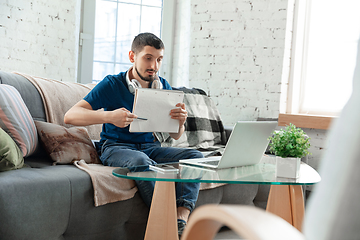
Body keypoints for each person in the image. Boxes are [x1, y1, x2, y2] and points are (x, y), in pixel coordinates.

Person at [64, 32, 203, 236]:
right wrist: (109, 117)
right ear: (132, 57)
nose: (154, 66)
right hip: (116, 148)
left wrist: (180, 122)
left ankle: (180, 218)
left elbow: (175, 135)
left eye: (159, 59)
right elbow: (70, 116)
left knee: (196, 157)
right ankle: (164, 219)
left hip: (151, 148)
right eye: (148, 58)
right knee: (141, 160)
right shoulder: (112, 84)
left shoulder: (162, 86)